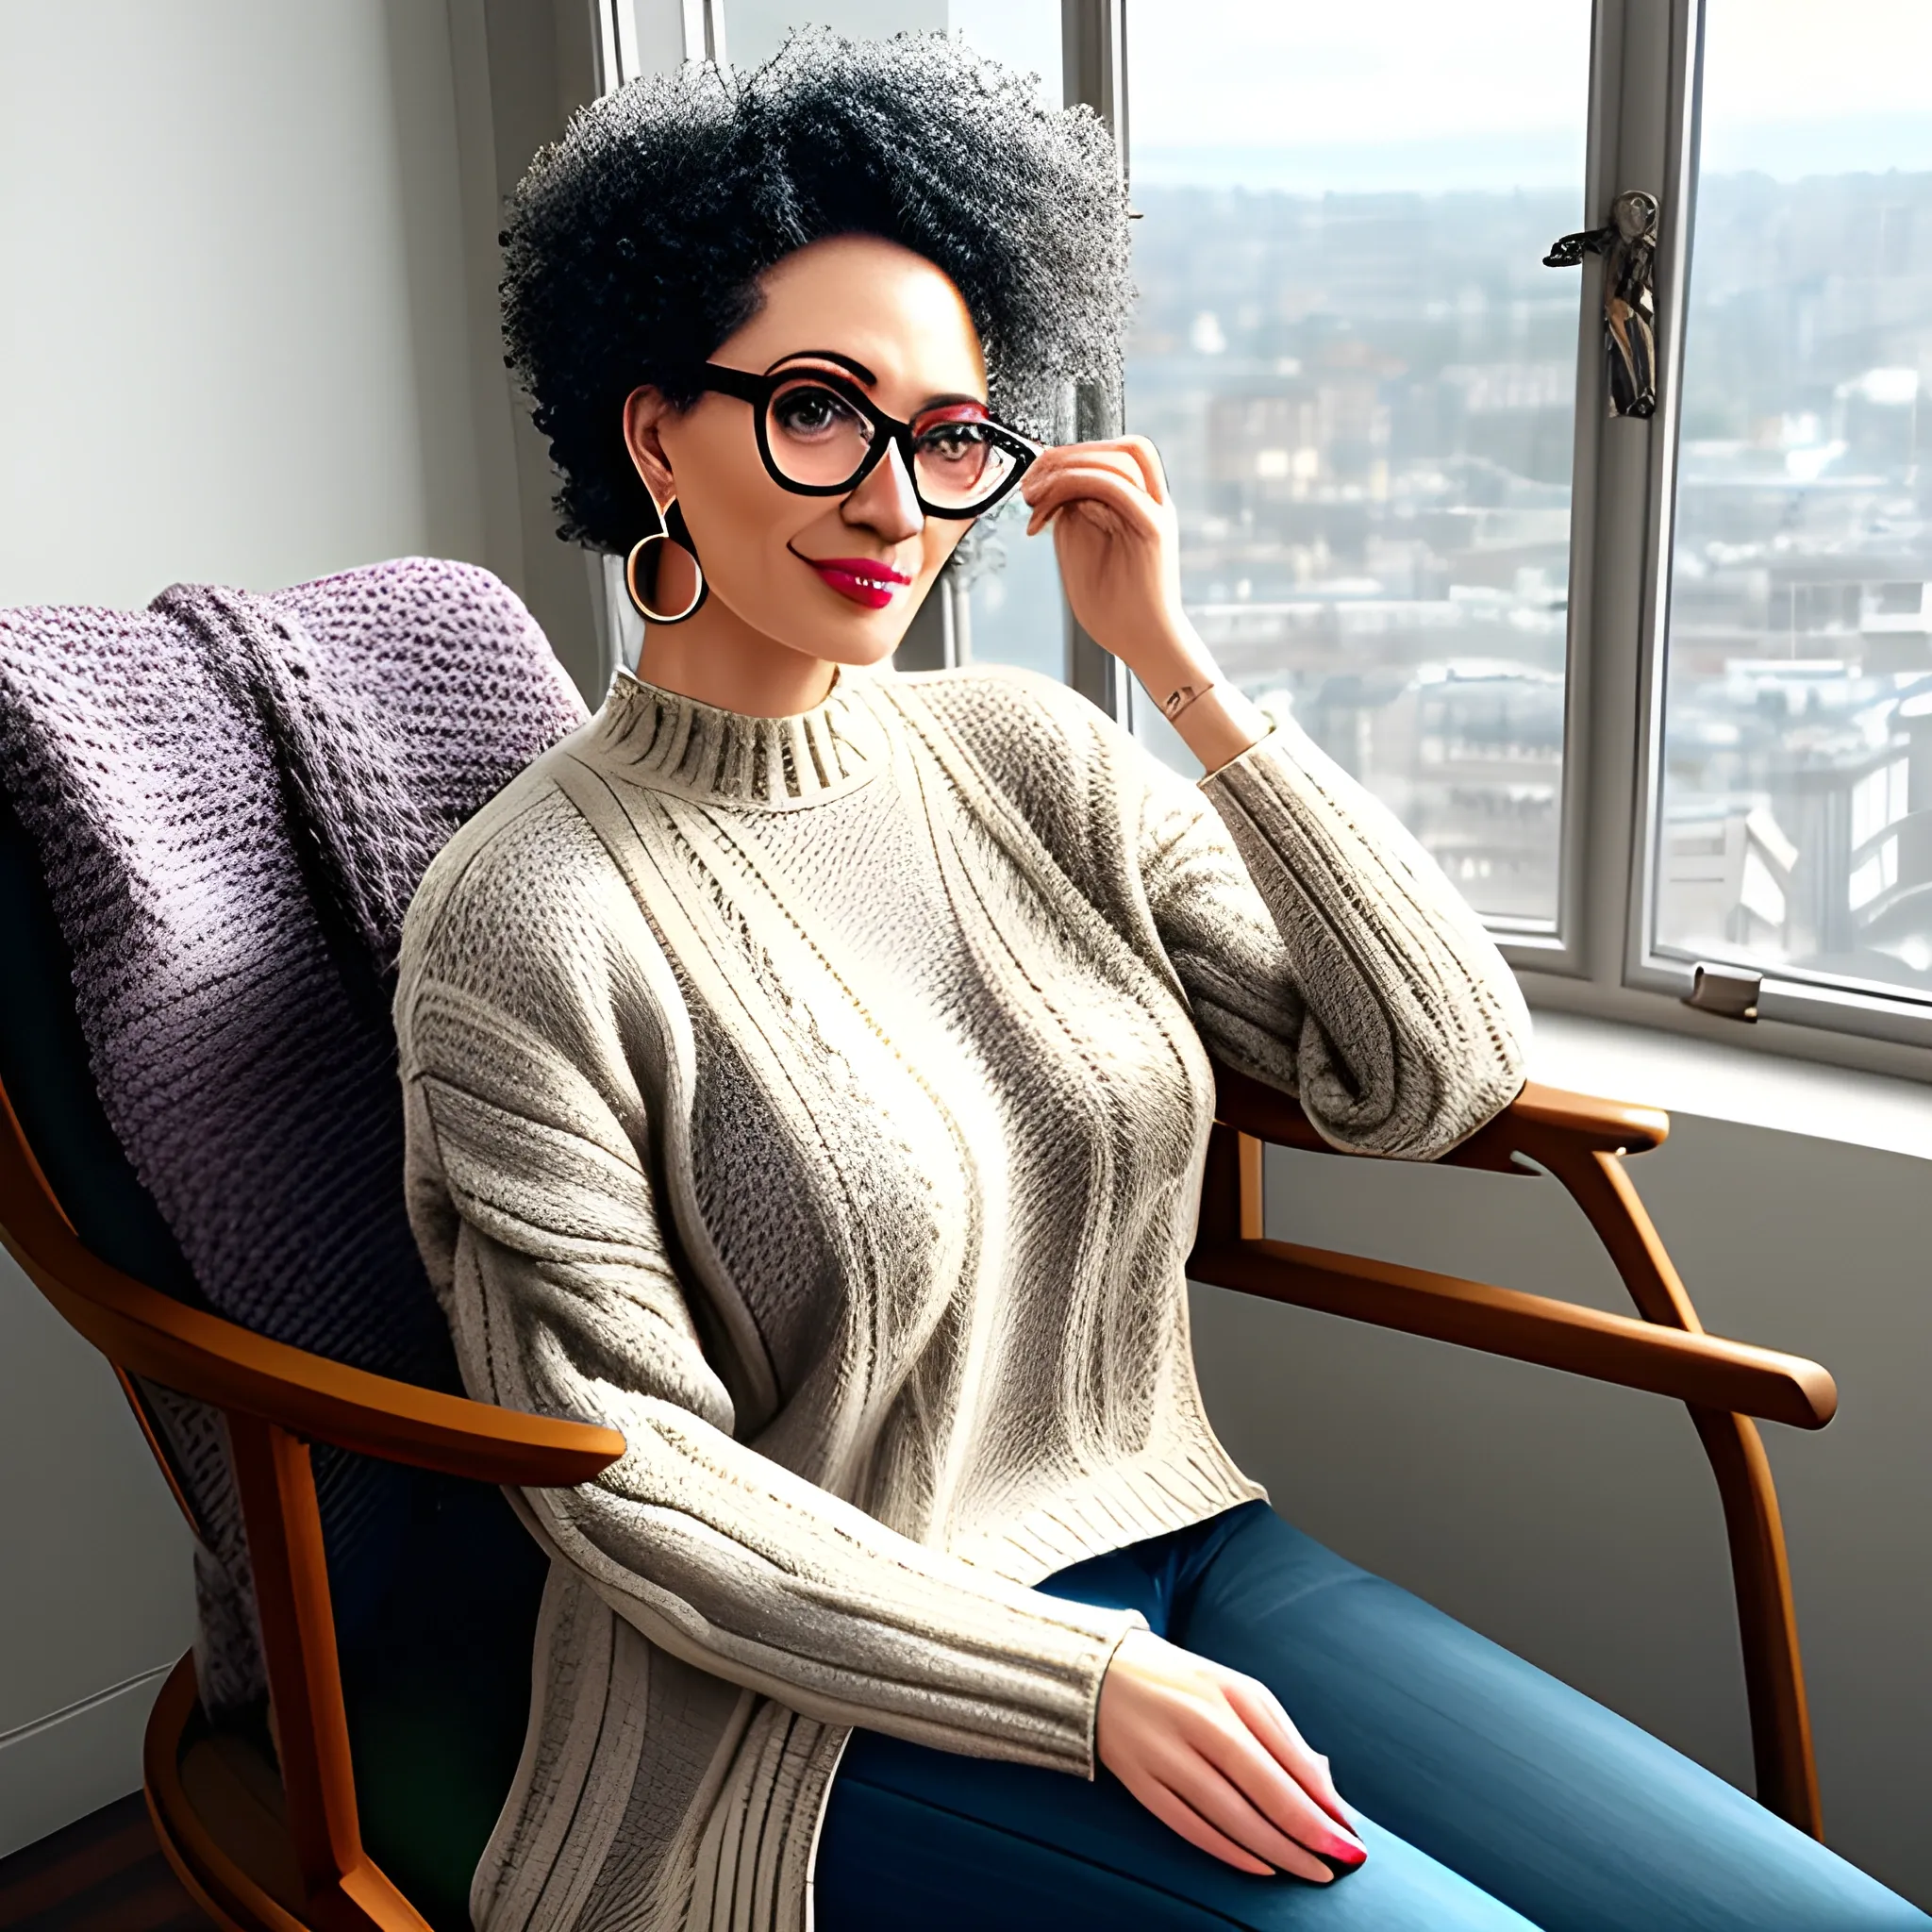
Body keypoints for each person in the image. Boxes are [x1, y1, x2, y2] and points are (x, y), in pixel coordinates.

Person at [392, 32, 1927, 1932]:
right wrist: (1077, 1687)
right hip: (797, 1706)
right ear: (650, 435)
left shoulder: (1033, 756)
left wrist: (1175, 669)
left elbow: (1424, 1070)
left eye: (949, 434)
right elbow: (624, 1475)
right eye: (815, 409)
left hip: (1190, 1549)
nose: (894, 502)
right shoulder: (522, 914)